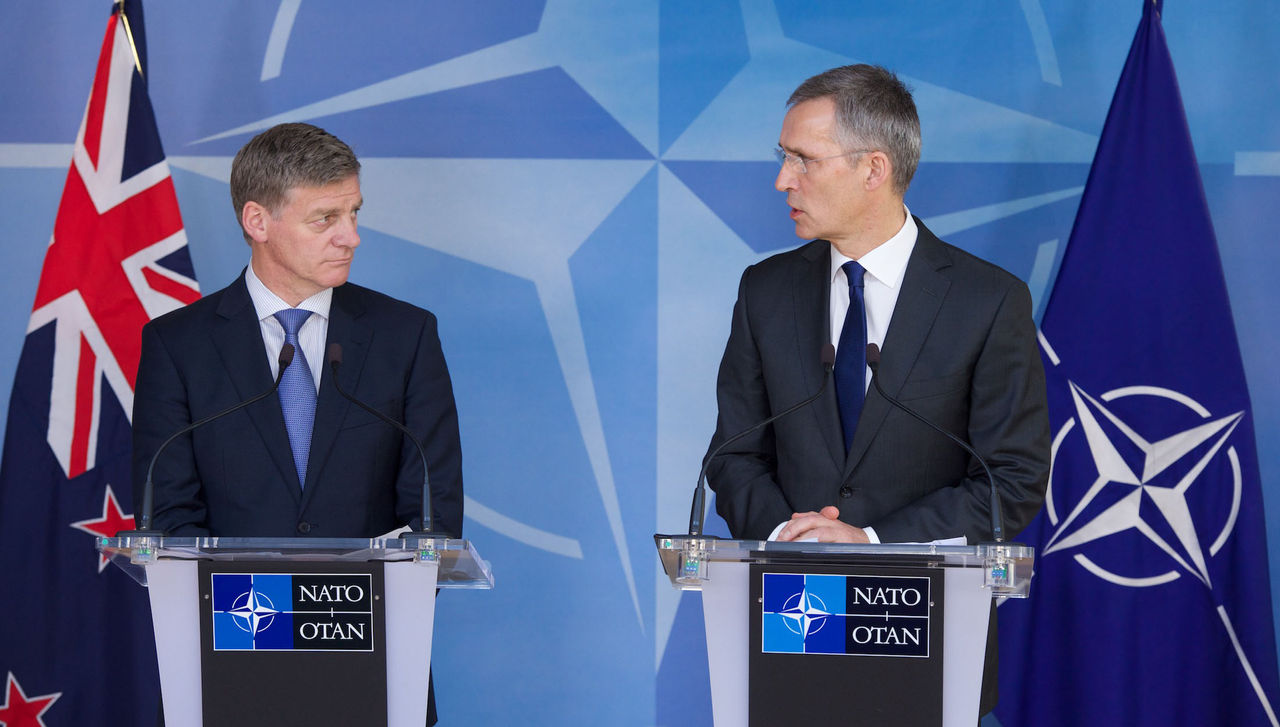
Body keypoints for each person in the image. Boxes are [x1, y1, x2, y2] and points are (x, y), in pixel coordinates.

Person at [704, 64, 1050, 714]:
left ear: (874, 168)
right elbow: (732, 455)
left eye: (803, 160)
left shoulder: (988, 301)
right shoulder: (766, 292)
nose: (783, 180)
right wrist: (790, 534)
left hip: (928, 638)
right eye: (783, 159)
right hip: (793, 621)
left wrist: (869, 543)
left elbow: (1013, 477)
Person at [131, 122, 462, 724]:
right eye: (325, 218)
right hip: (229, 666)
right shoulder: (177, 347)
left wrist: (339, 614)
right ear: (258, 222)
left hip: (374, 664)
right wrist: (268, 619)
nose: (351, 237)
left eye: (354, 213)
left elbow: (433, 514)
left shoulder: (405, 336)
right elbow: (169, 518)